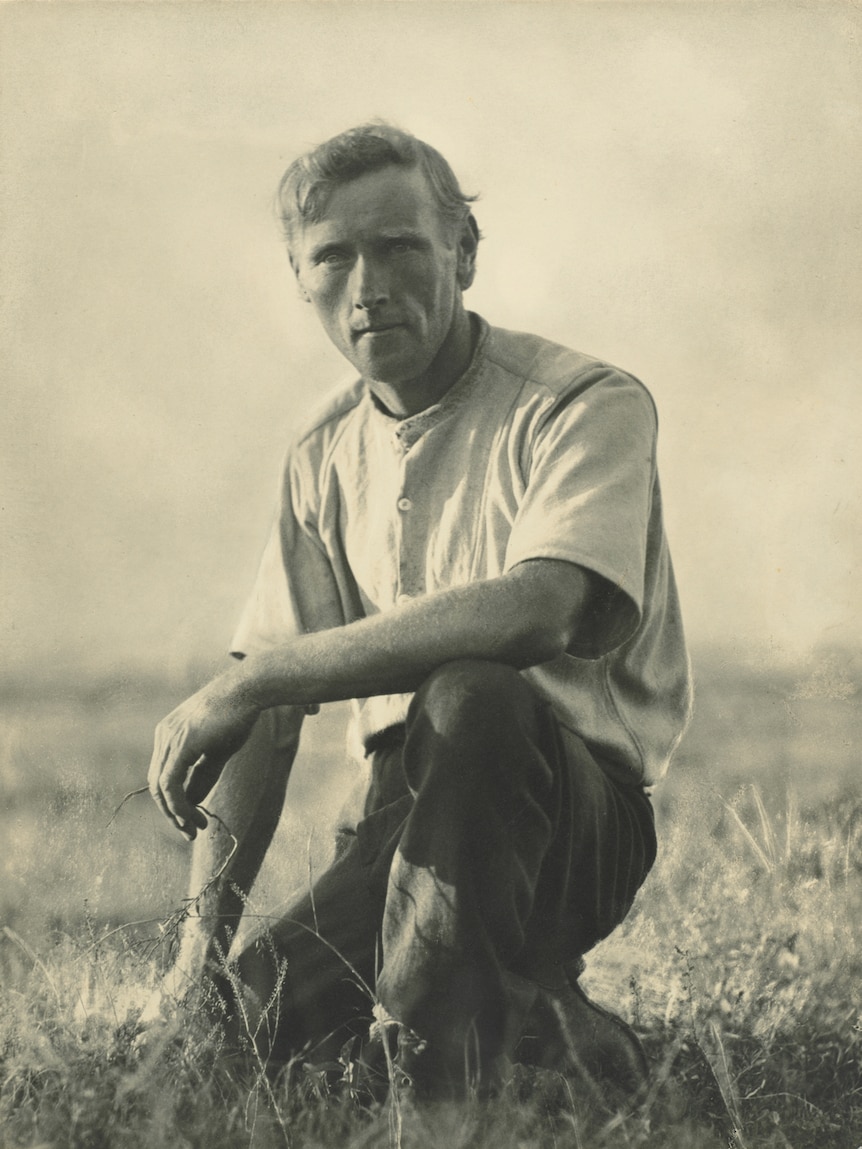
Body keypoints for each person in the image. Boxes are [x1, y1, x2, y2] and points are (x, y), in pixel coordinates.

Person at [145, 122, 692, 1103]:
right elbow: (265, 729)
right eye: (334, 257)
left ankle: (437, 1092)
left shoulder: (583, 402)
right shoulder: (318, 454)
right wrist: (199, 950)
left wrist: (260, 674)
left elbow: (539, 610)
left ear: (464, 254)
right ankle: (550, 1028)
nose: (368, 284)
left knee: (475, 695)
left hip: (570, 817)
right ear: (299, 278)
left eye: (399, 245)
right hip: (402, 828)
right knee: (226, 1050)